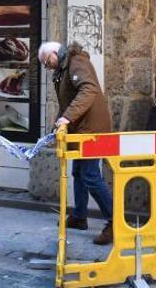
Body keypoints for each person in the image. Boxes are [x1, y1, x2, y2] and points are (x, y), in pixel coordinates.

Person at [38, 41, 114, 245]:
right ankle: (80, 216)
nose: (48, 67)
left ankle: (115, 222)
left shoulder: (76, 62)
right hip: (81, 129)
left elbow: (88, 90)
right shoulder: (64, 68)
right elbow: (67, 102)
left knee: (90, 175)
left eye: (47, 62)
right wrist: (59, 122)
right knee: (78, 173)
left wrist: (67, 118)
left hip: (91, 130)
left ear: (55, 53)